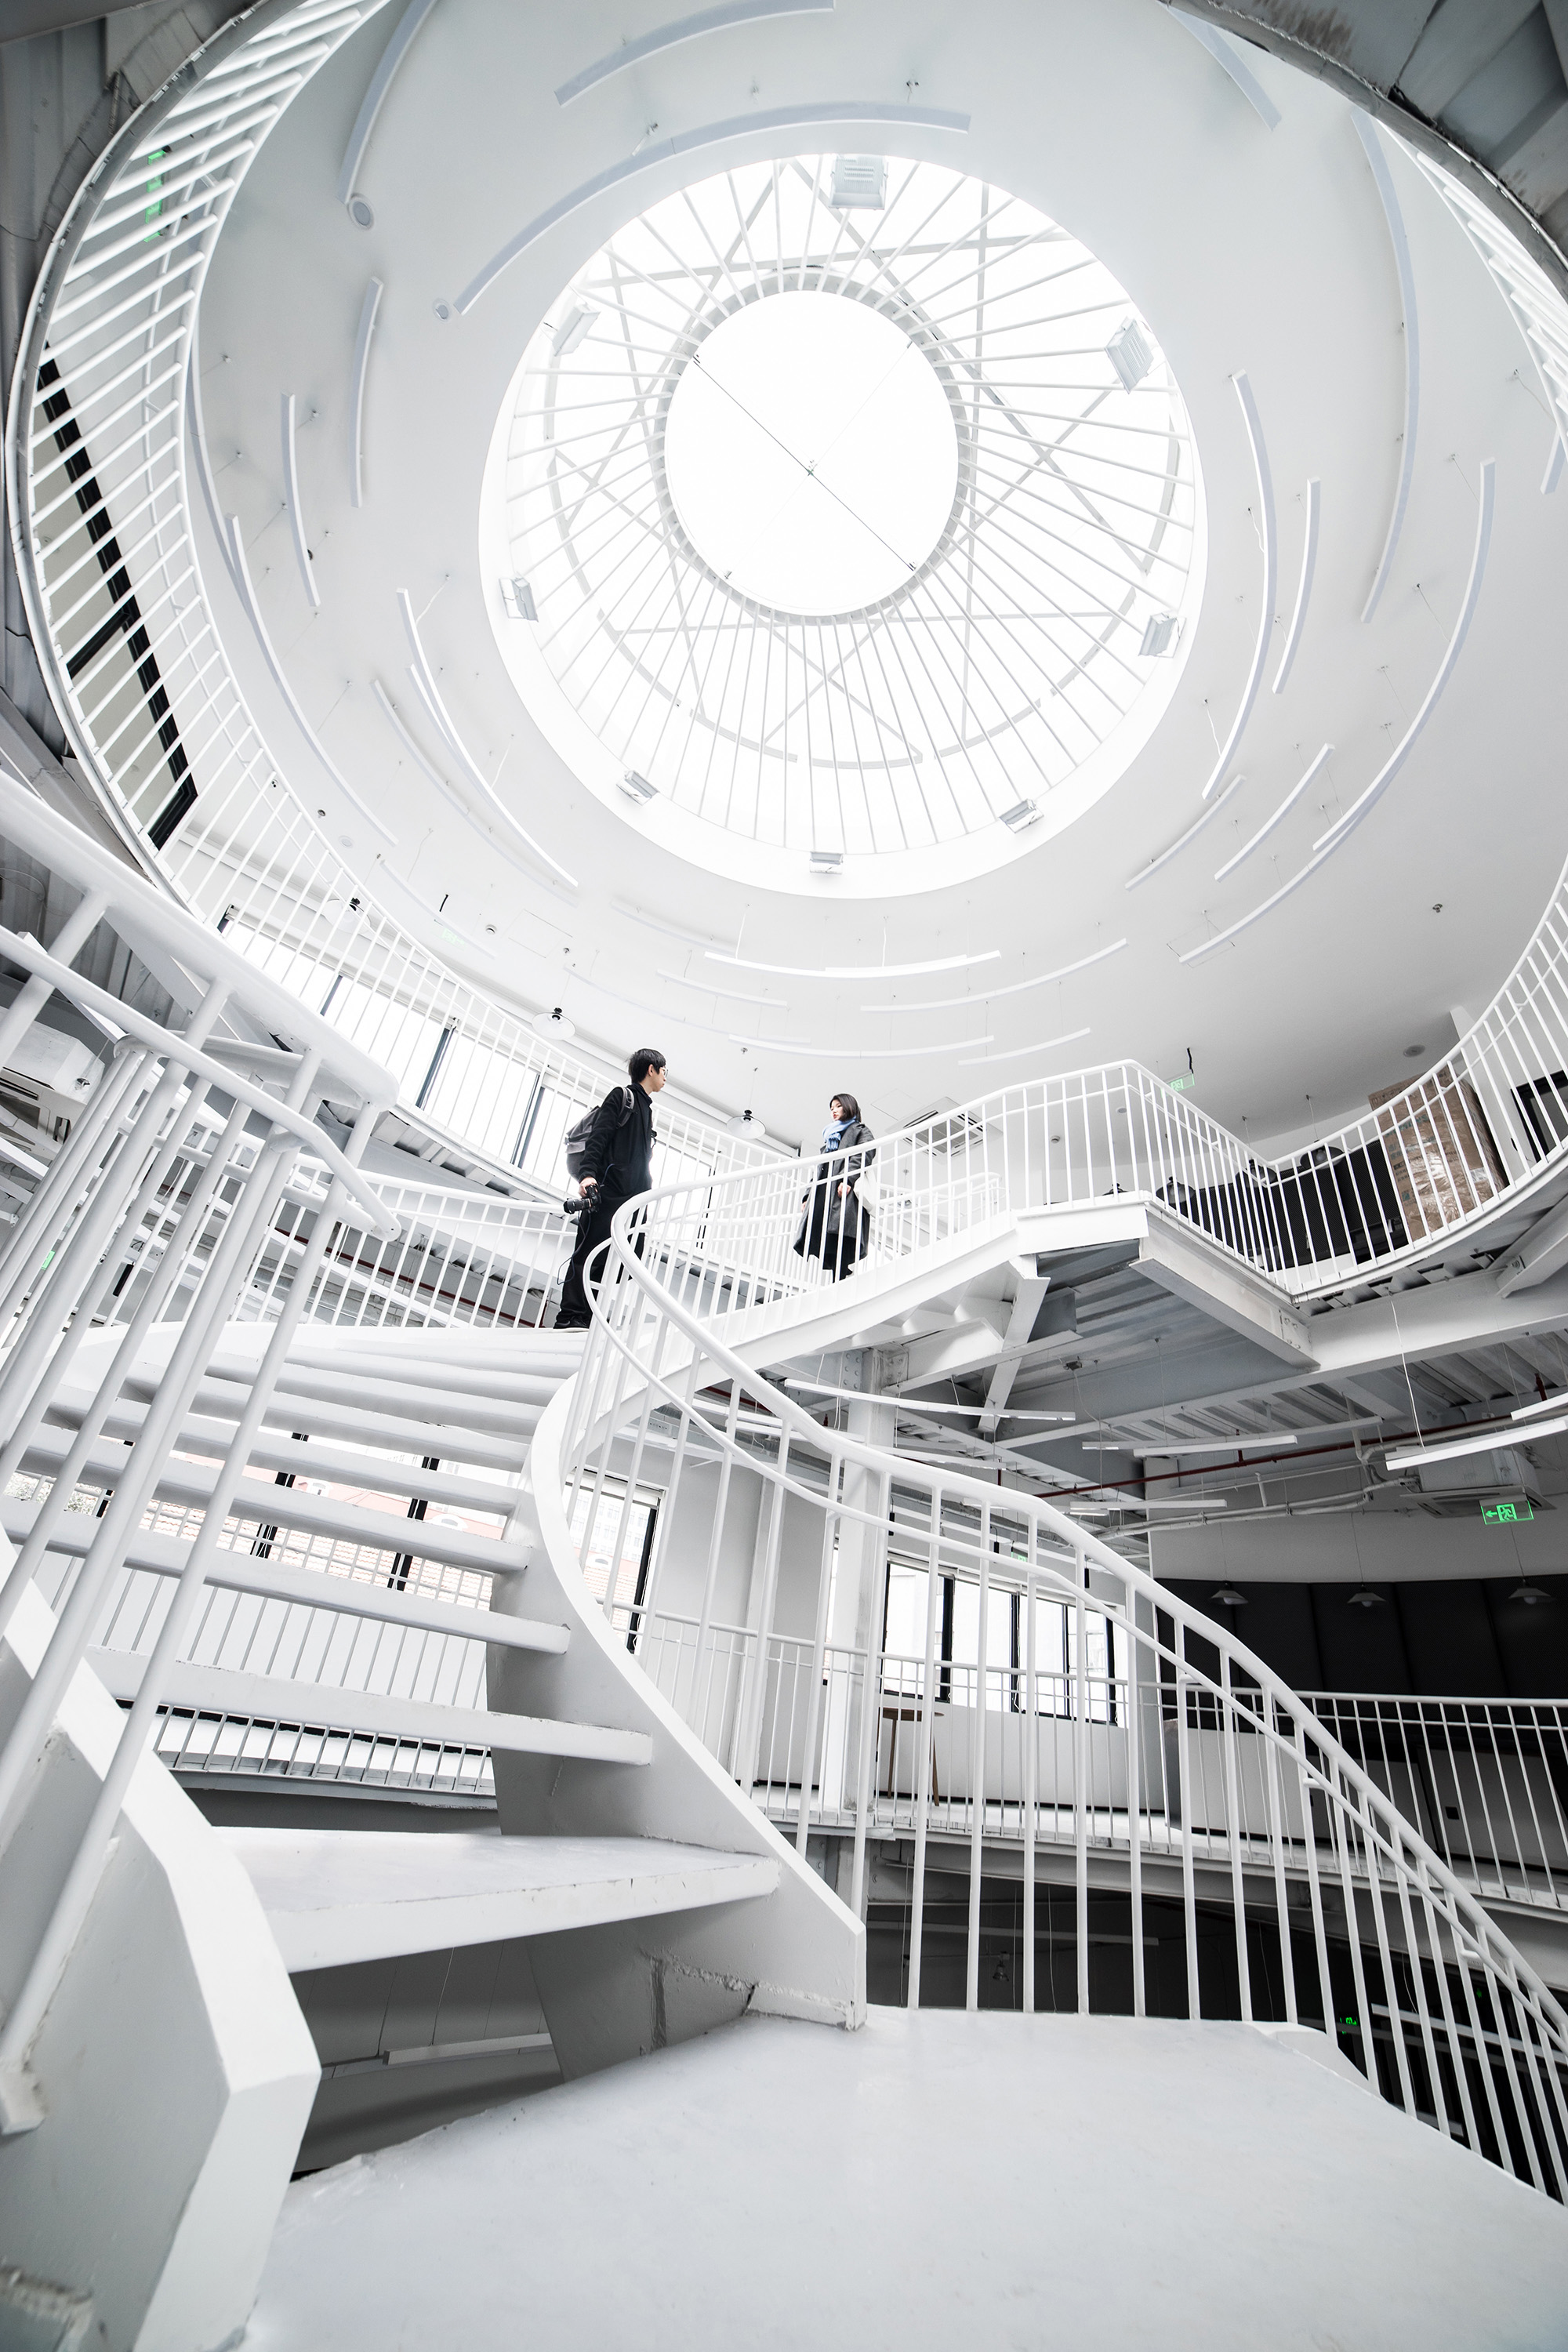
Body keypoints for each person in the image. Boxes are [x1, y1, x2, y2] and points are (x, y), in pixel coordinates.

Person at [554, 1047, 667, 1328]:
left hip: (633, 1200)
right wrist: (587, 1176)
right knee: (588, 1253)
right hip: (608, 1192)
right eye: (664, 1071)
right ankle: (570, 1316)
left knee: (615, 1260)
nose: (666, 1077)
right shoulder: (622, 1097)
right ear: (651, 1069)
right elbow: (598, 1137)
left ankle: (587, 1313)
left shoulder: (647, 1110)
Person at [793, 1092, 874, 1279]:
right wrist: (808, 1196)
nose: (834, 1111)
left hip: (841, 1188)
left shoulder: (860, 1130)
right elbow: (820, 1168)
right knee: (824, 1232)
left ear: (849, 1106)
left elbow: (863, 1155)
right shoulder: (830, 1137)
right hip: (824, 1189)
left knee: (840, 1234)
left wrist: (848, 1179)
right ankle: (839, 1276)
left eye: (838, 1106)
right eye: (831, 1108)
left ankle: (841, 1276)